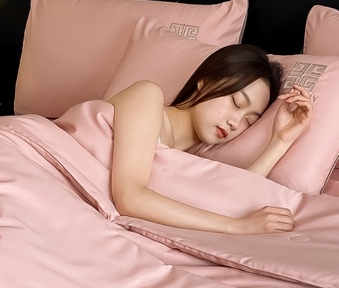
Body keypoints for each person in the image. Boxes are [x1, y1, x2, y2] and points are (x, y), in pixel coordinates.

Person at [107, 44, 313, 235]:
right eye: (236, 102)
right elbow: (129, 197)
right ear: (205, 81)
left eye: (248, 121)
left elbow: (225, 199)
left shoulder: (185, 162)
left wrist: (280, 141)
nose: (235, 123)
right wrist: (237, 227)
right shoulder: (147, 95)